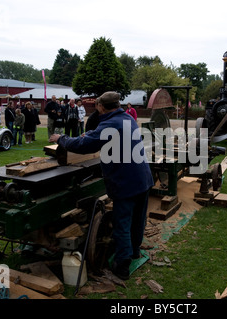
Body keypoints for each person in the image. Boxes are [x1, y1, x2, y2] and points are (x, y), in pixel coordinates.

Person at [49, 91, 154, 280]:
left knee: (122, 224)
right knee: (138, 220)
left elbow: (84, 146)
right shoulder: (126, 118)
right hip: (142, 178)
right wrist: (90, 134)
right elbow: (100, 136)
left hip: (126, 182)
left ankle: (122, 266)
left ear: (101, 107)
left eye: (97, 106)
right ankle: (135, 251)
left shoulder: (110, 123)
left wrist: (61, 139)